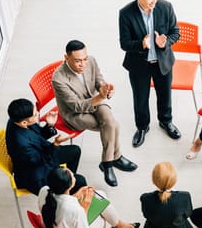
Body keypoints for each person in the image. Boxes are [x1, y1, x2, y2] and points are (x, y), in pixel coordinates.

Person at [52, 40, 138, 187]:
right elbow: (77, 106)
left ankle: (108, 162)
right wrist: (100, 97)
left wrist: (105, 88)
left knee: (110, 123)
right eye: (78, 61)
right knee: (112, 125)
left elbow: (98, 80)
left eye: (84, 59)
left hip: (94, 101)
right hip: (74, 114)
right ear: (66, 58)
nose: (83, 64)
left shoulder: (91, 61)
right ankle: (113, 159)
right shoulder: (58, 79)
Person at [119, 0, 181, 147]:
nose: (154, 0)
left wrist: (166, 41)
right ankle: (142, 127)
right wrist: (141, 44)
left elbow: (175, 32)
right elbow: (124, 43)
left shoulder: (166, 7)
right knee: (140, 98)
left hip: (162, 61)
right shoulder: (126, 13)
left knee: (165, 95)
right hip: (139, 64)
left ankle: (166, 121)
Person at [38, 167, 140, 228]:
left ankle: (120, 226)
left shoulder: (44, 191)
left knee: (99, 195)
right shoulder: (75, 210)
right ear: (70, 185)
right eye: (73, 176)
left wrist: (76, 195)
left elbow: (60, 203)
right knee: (102, 203)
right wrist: (85, 208)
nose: (75, 177)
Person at [5, 98, 86, 195]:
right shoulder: (21, 145)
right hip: (36, 174)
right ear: (24, 123)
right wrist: (55, 144)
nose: (38, 115)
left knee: (75, 151)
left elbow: (38, 136)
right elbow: (42, 160)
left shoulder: (18, 119)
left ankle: (67, 181)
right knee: (81, 181)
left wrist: (49, 125)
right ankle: (65, 188)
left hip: (40, 156)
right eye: (35, 115)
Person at [139, 162, 194, 228]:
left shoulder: (145, 198)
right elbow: (188, 214)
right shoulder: (184, 196)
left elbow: (146, 215)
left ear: (153, 180)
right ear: (174, 180)